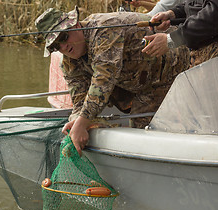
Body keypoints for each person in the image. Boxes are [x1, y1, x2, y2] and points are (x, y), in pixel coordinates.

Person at [35, 6, 190, 155]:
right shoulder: (69, 61)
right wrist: (76, 120)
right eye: (56, 46)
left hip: (173, 67)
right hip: (139, 80)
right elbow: (79, 100)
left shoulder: (103, 30)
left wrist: (83, 122)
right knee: (129, 126)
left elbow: (104, 79)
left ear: (75, 24)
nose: (64, 46)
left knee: (142, 133)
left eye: (64, 37)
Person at [141, 0, 218, 67]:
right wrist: (172, 14)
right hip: (203, 47)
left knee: (215, 107)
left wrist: (171, 40)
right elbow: (197, 4)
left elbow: (215, 17)